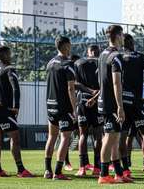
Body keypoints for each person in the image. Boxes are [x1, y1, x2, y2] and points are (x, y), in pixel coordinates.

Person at [0, 46, 33, 177]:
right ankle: (20, 170)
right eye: (9, 54)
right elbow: (15, 88)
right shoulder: (9, 69)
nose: (11, 56)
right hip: (5, 111)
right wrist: (16, 106)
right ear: (5, 55)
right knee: (15, 138)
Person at [119, 34, 144, 178]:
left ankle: (125, 169)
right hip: (136, 103)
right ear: (132, 43)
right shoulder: (140, 57)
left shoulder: (115, 56)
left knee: (122, 136)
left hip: (121, 103)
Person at [97, 25, 133, 184]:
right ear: (119, 36)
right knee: (110, 138)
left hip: (104, 102)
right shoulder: (116, 56)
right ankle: (103, 175)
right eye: (123, 35)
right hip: (111, 105)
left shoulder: (102, 54)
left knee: (115, 138)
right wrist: (120, 107)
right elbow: (116, 83)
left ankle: (118, 174)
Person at [44, 36, 77, 180]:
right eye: (70, 45)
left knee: (51, 137)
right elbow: (71, 89)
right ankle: (58, 172)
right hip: (64, 108)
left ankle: (47, 171)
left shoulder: (50, 63)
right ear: (66, 46)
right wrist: (75, 108)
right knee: (65, 138)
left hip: (51, 106)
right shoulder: (68, 64)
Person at [74, 45, 103, 177]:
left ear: (88, 52)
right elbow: (106, 84)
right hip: (98, 102)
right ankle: (97, 167)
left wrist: (88, 92)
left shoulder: (78, 63)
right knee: (98, 135)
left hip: (83, 102)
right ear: (98, 52)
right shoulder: (102, 62)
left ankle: (82, 167)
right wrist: (94, 94)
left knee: (83, 135)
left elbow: (75, 83)